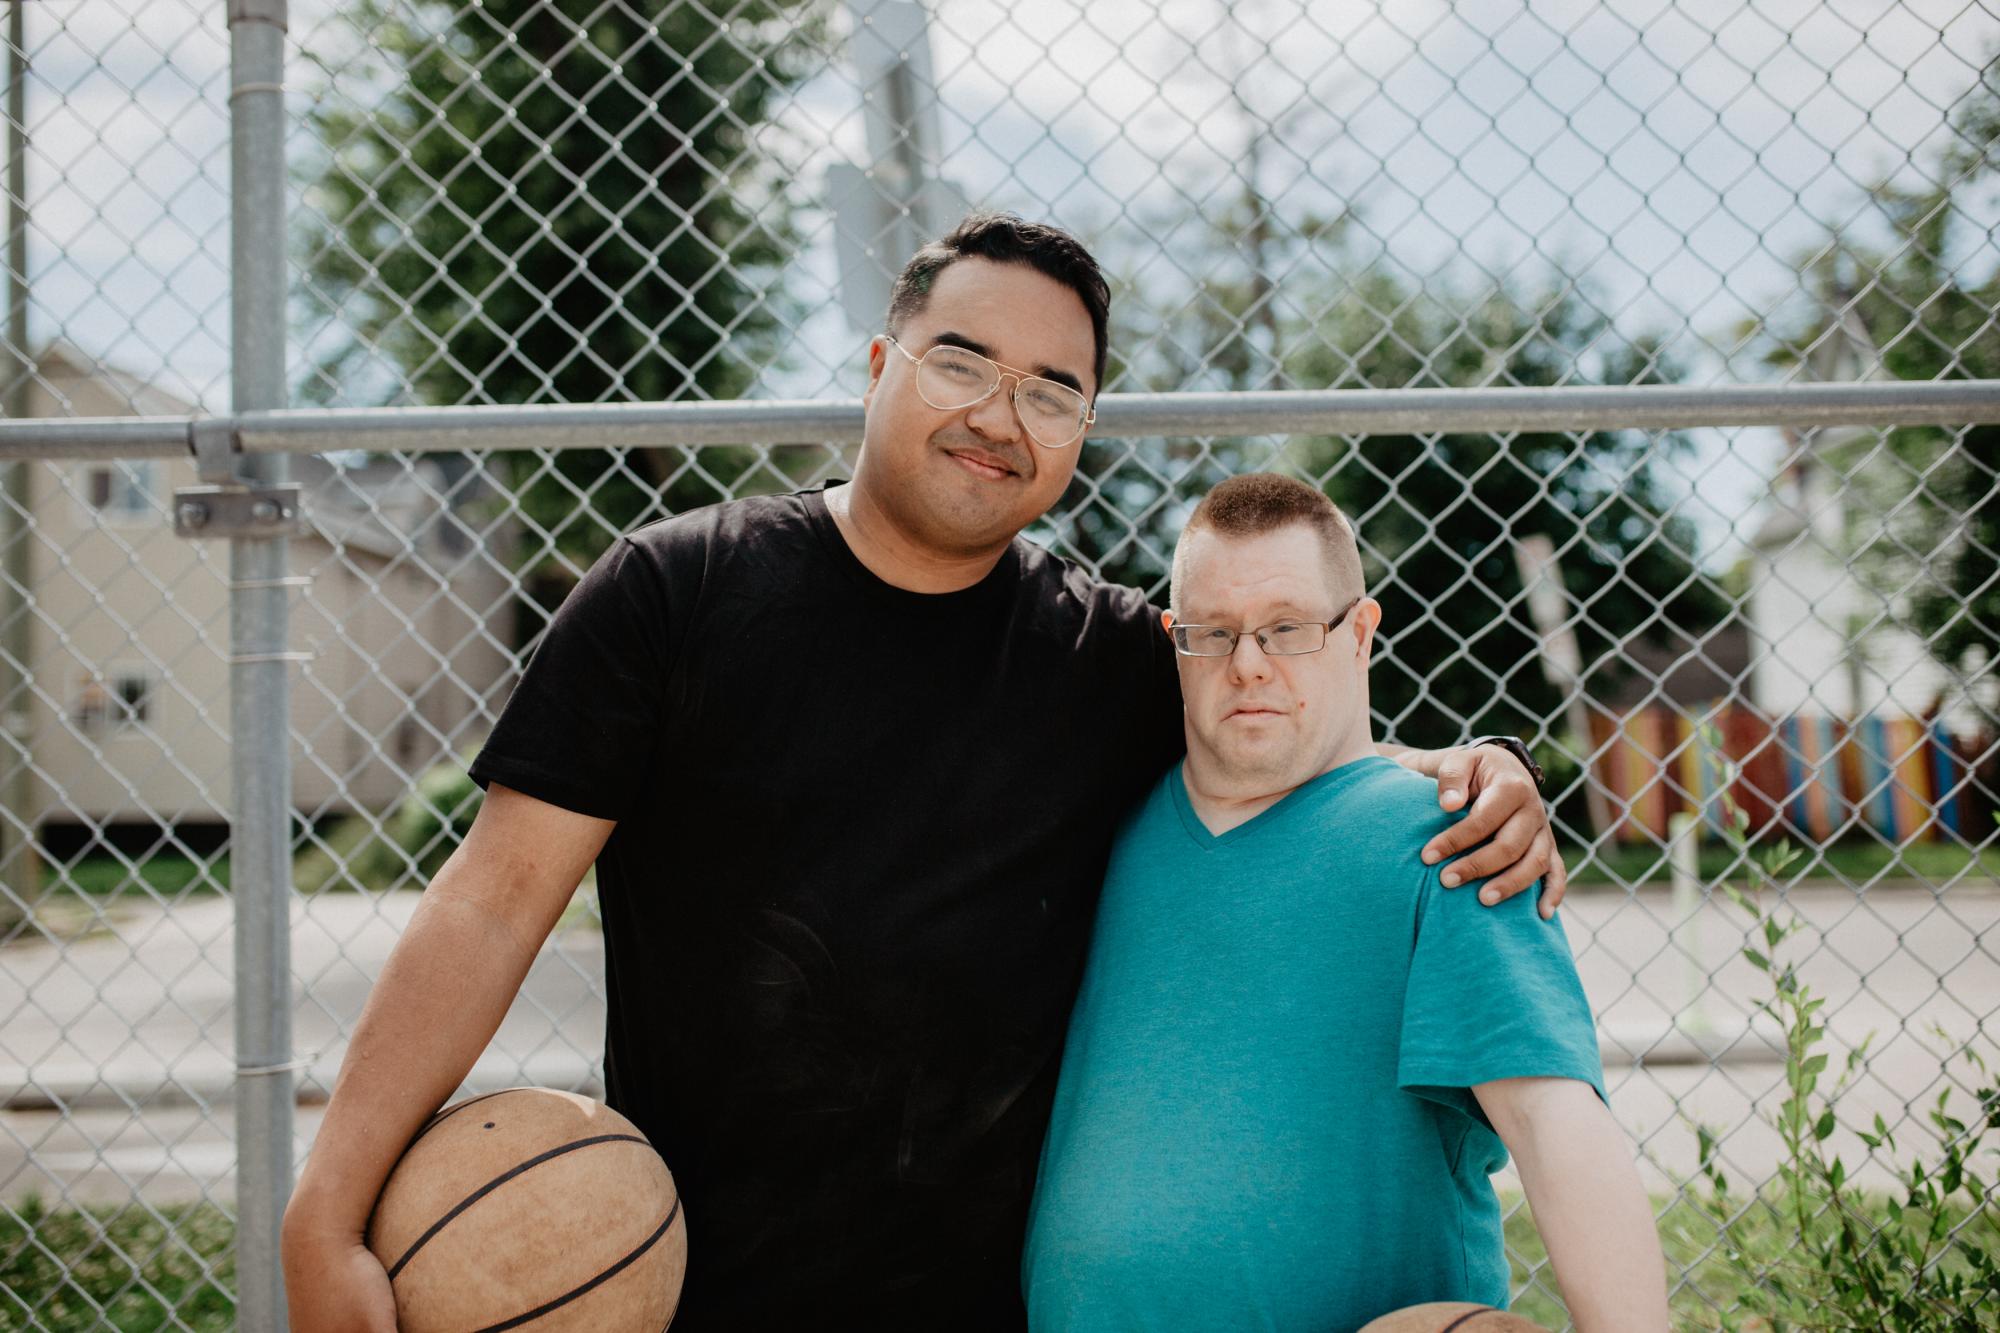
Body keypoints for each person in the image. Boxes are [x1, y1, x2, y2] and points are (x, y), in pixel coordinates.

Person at [281, 214, 1566, 1330]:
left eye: (1052, 390)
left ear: (1080, 431)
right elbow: (492, 897)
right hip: (691, 1293)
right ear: (883, 364)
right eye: (963, 360)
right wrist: (326, 1211)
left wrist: (1474, 767)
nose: (1000, 416)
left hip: (996, 1309)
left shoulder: (1106, 656)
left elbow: (1279, 723)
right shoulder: (674, 592)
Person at [1020, 473, 1667, 1332]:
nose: (1247, 662)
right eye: (1213, 633)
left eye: (1287, 628)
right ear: (1176, 640)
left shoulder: (1443, 839)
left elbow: (1557, 1127)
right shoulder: (1116, 824)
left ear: (1359, 634)